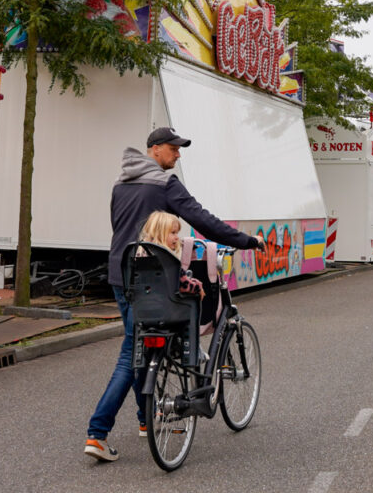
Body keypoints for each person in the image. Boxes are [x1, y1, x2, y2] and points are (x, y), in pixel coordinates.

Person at [84, 127, 263, 464]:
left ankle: (145, 418)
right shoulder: (165, 184)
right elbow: (202, 220)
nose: (178, 155)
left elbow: (119, 228)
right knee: (130, 354)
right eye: (173, 148)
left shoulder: (120, 183)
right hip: (154, 277)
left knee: (139, 347)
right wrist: (245, 240)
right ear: (154, 150)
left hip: (121, 275)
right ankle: (97, 432)